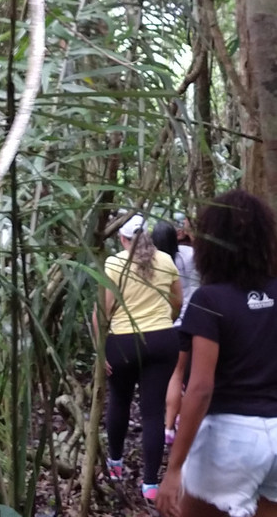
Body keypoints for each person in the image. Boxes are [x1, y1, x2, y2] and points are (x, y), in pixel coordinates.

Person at [157, 190, 277, 517]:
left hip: (230, 437)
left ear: (212, 243)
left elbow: (200, 388)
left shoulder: (209, 301)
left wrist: (174, 469)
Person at [94, 213, 182, 502]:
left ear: (122, 239)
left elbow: (103, 312)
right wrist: (163, 322)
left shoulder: (114, 263)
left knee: (119, 399)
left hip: (123, 343)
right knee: (153, 411)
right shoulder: (167, 262)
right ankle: (150, 485)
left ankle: (116, 465)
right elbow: (177, 302)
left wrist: (100, 349)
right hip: (162, 340)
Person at [164, 214, 200, 445]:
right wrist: (192, 232)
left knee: (176, 375)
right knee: (195, 376)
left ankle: (169, 426)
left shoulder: (160, 261)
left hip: (172, 324)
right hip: (198, 322)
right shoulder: (192, 254)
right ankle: (189, 422)